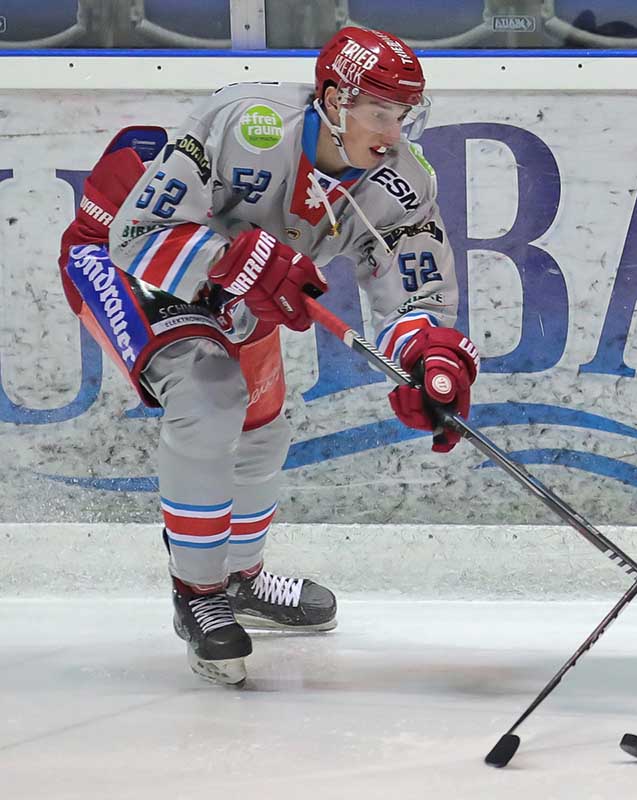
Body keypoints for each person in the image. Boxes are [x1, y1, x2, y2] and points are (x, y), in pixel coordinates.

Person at [58, 27, 479, 685]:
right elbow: (137, 233)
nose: (393, 132)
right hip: (124, 254)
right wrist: (233, 258)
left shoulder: (402, 180)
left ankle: (239, 578)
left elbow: (412, 297)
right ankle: (198, 592)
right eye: (379, 112)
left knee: (263, 427)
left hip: (239, 277)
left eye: (404, 114)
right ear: (335, 100)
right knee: (209, 396)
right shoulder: (246, 120)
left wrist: (429, 357)